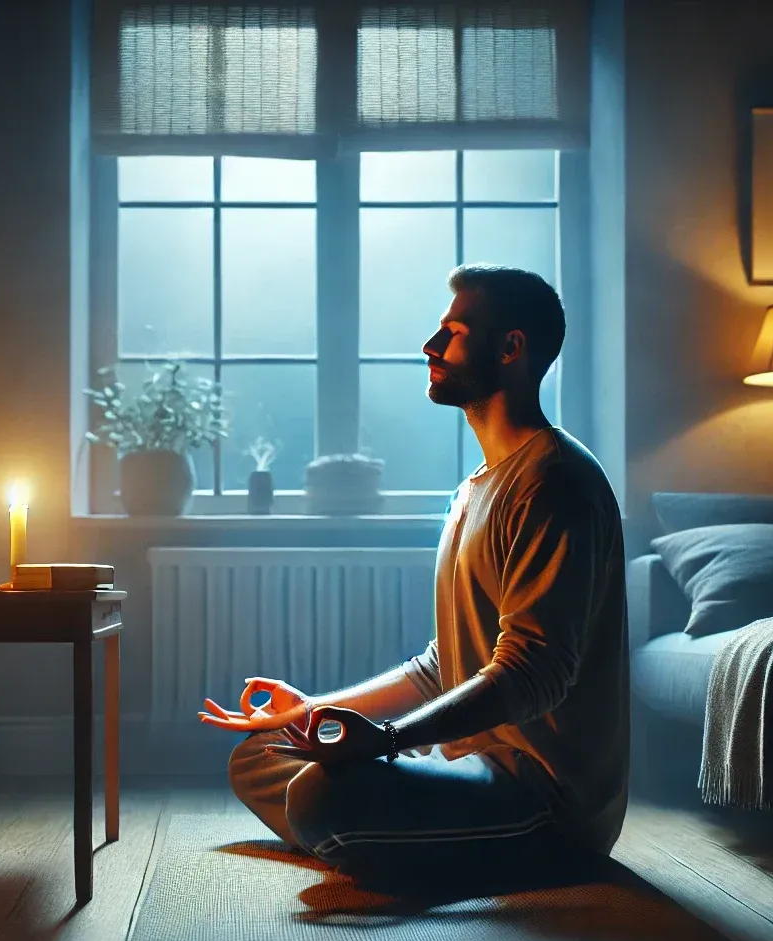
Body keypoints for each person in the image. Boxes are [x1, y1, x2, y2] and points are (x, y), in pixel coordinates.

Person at [199, 264, 629, 890]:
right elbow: (441, 666)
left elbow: (535, 672)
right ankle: (403, 839)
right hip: (462, 764)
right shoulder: (475, 489)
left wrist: (386, 740)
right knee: (262, 753)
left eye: (453, 331)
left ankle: (406, 841)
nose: (430, 347)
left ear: (511, 348)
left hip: (543, 800)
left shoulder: (553, 482)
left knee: (318, 796)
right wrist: (317, 710)